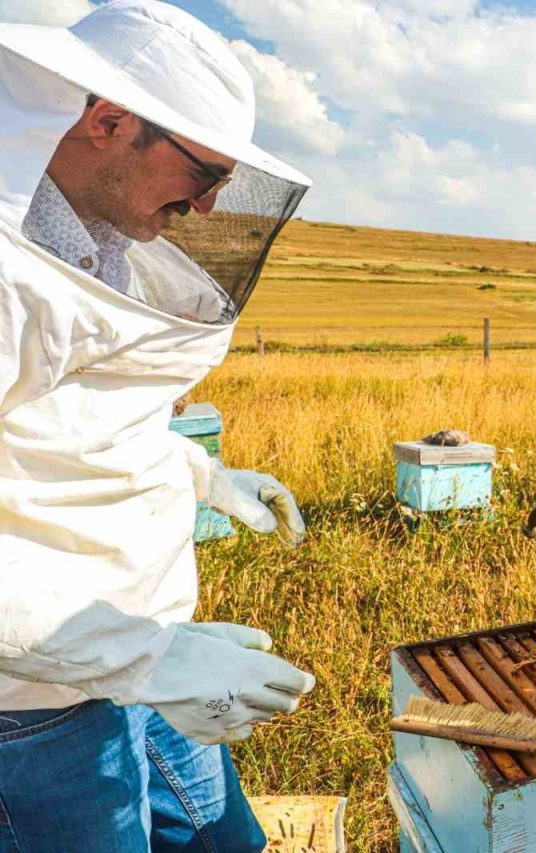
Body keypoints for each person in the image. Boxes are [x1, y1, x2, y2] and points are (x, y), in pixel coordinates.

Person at [0, 2, 318, 849]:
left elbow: (70, 422)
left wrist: (200, 471)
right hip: (36, 708)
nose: (209, 206)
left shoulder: (96, 238)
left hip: (143, 649)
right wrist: (144, 658)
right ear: (108, 121)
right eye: (204, 172)